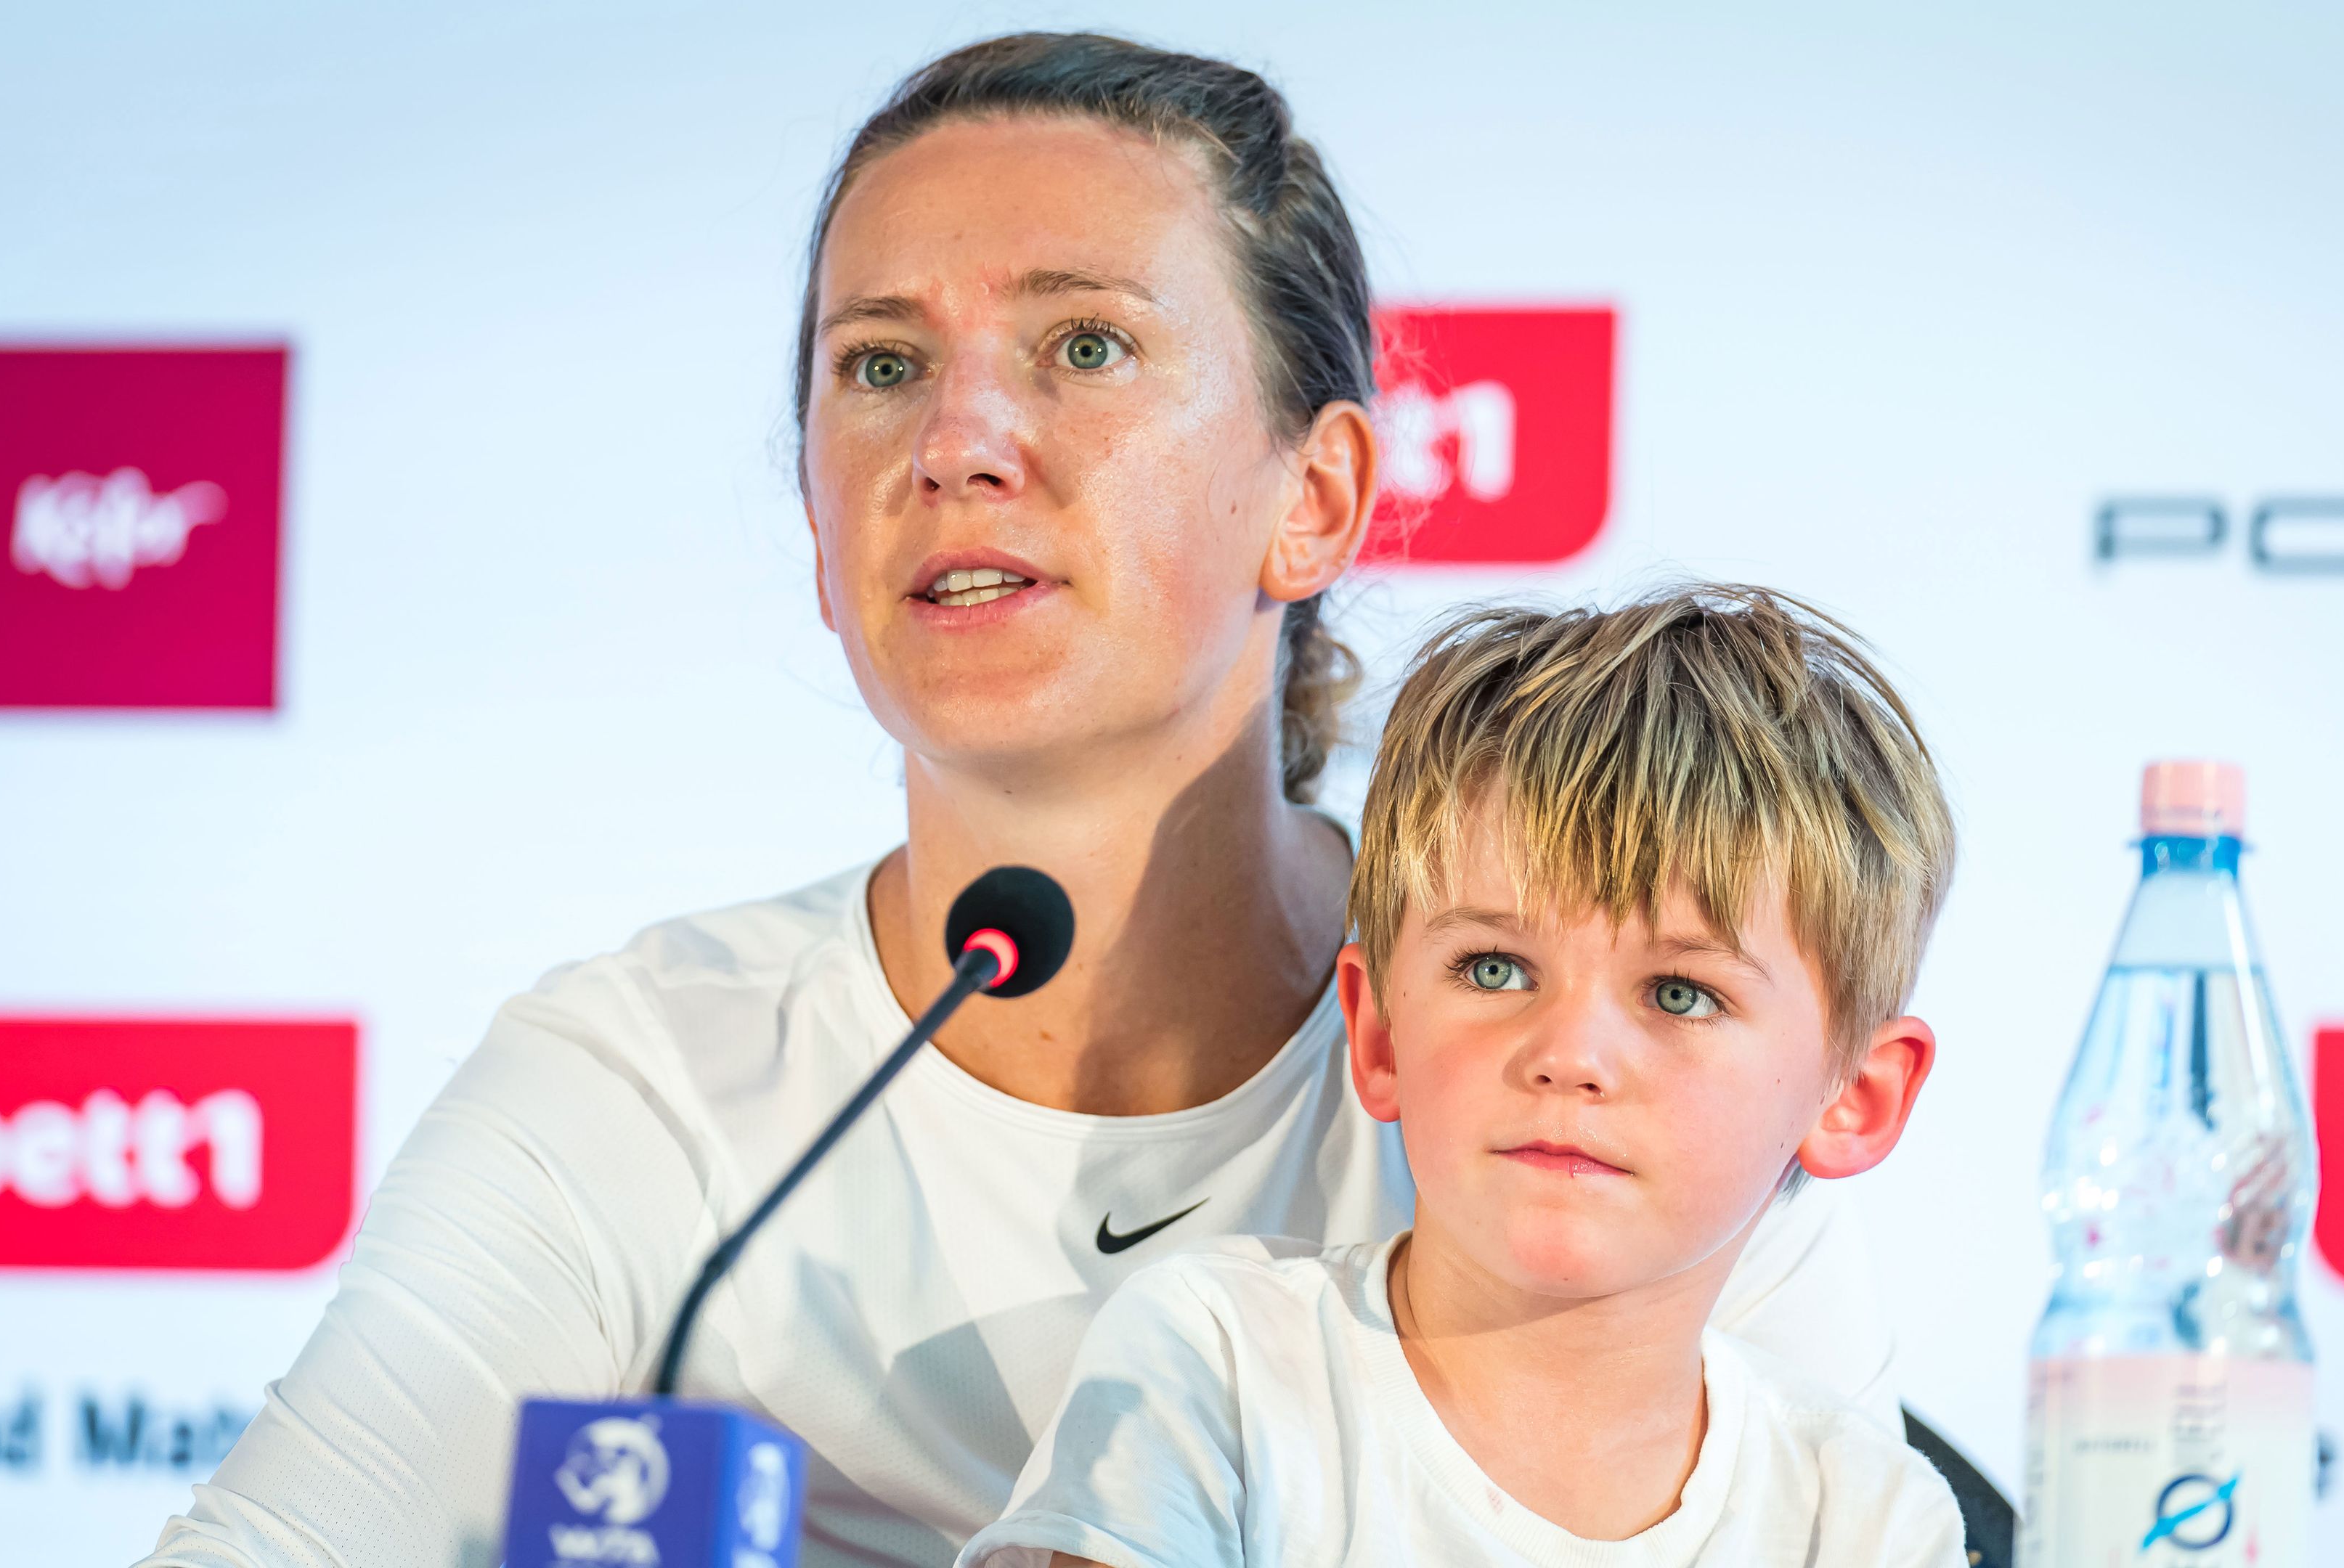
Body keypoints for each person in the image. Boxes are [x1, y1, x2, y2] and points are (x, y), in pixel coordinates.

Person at [140, 36, 1906, 1568]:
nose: (960, 441)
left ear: (1320, 495)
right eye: (883, 365)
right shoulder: (646, 1082)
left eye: (1084, 347)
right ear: (821, 536)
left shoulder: (1593, 1081)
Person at [960, 585, 1963, 1568]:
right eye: (1495, 970)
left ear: (1856, 1098)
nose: (1568, 1056)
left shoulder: (1867, 1518)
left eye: (1679, 994)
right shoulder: (1219, 1367)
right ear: (1380, 1035)